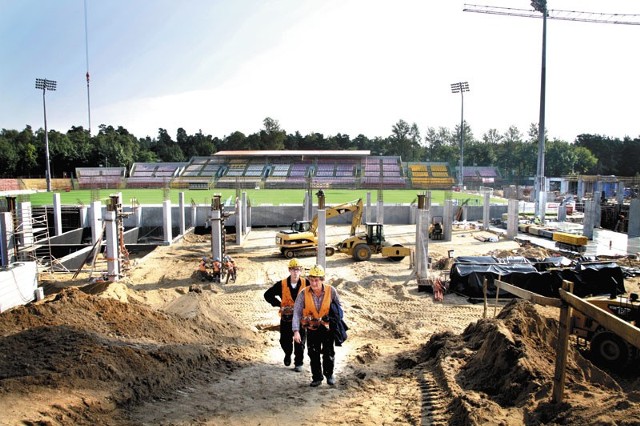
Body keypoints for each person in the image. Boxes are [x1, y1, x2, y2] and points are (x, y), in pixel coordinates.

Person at [292, 264, 342, 387]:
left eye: (316, 280)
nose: (313, 283)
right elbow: (297, 313)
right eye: (311, 280)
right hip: (312, 328)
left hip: (327, 328)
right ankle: (317, 377)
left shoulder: (332, 291)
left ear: (322, 280)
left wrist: (333, 318)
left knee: (328, 352)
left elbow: (340, 308)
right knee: (313, 353)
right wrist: (296, 331)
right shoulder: (303, 293)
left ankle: (329, 374)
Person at [264, 258, 307, 372]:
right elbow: (267, 295)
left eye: (297, 269)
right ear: (289, 270)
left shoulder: (306, 283)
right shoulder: (282, 284)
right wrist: (279, 304)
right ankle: (288, 354)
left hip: (301, 318)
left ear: (300, 271)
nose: (295, 272)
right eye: (293, 269)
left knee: (300, 340)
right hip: (286, 318)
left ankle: (298, 362)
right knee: (285, 340)